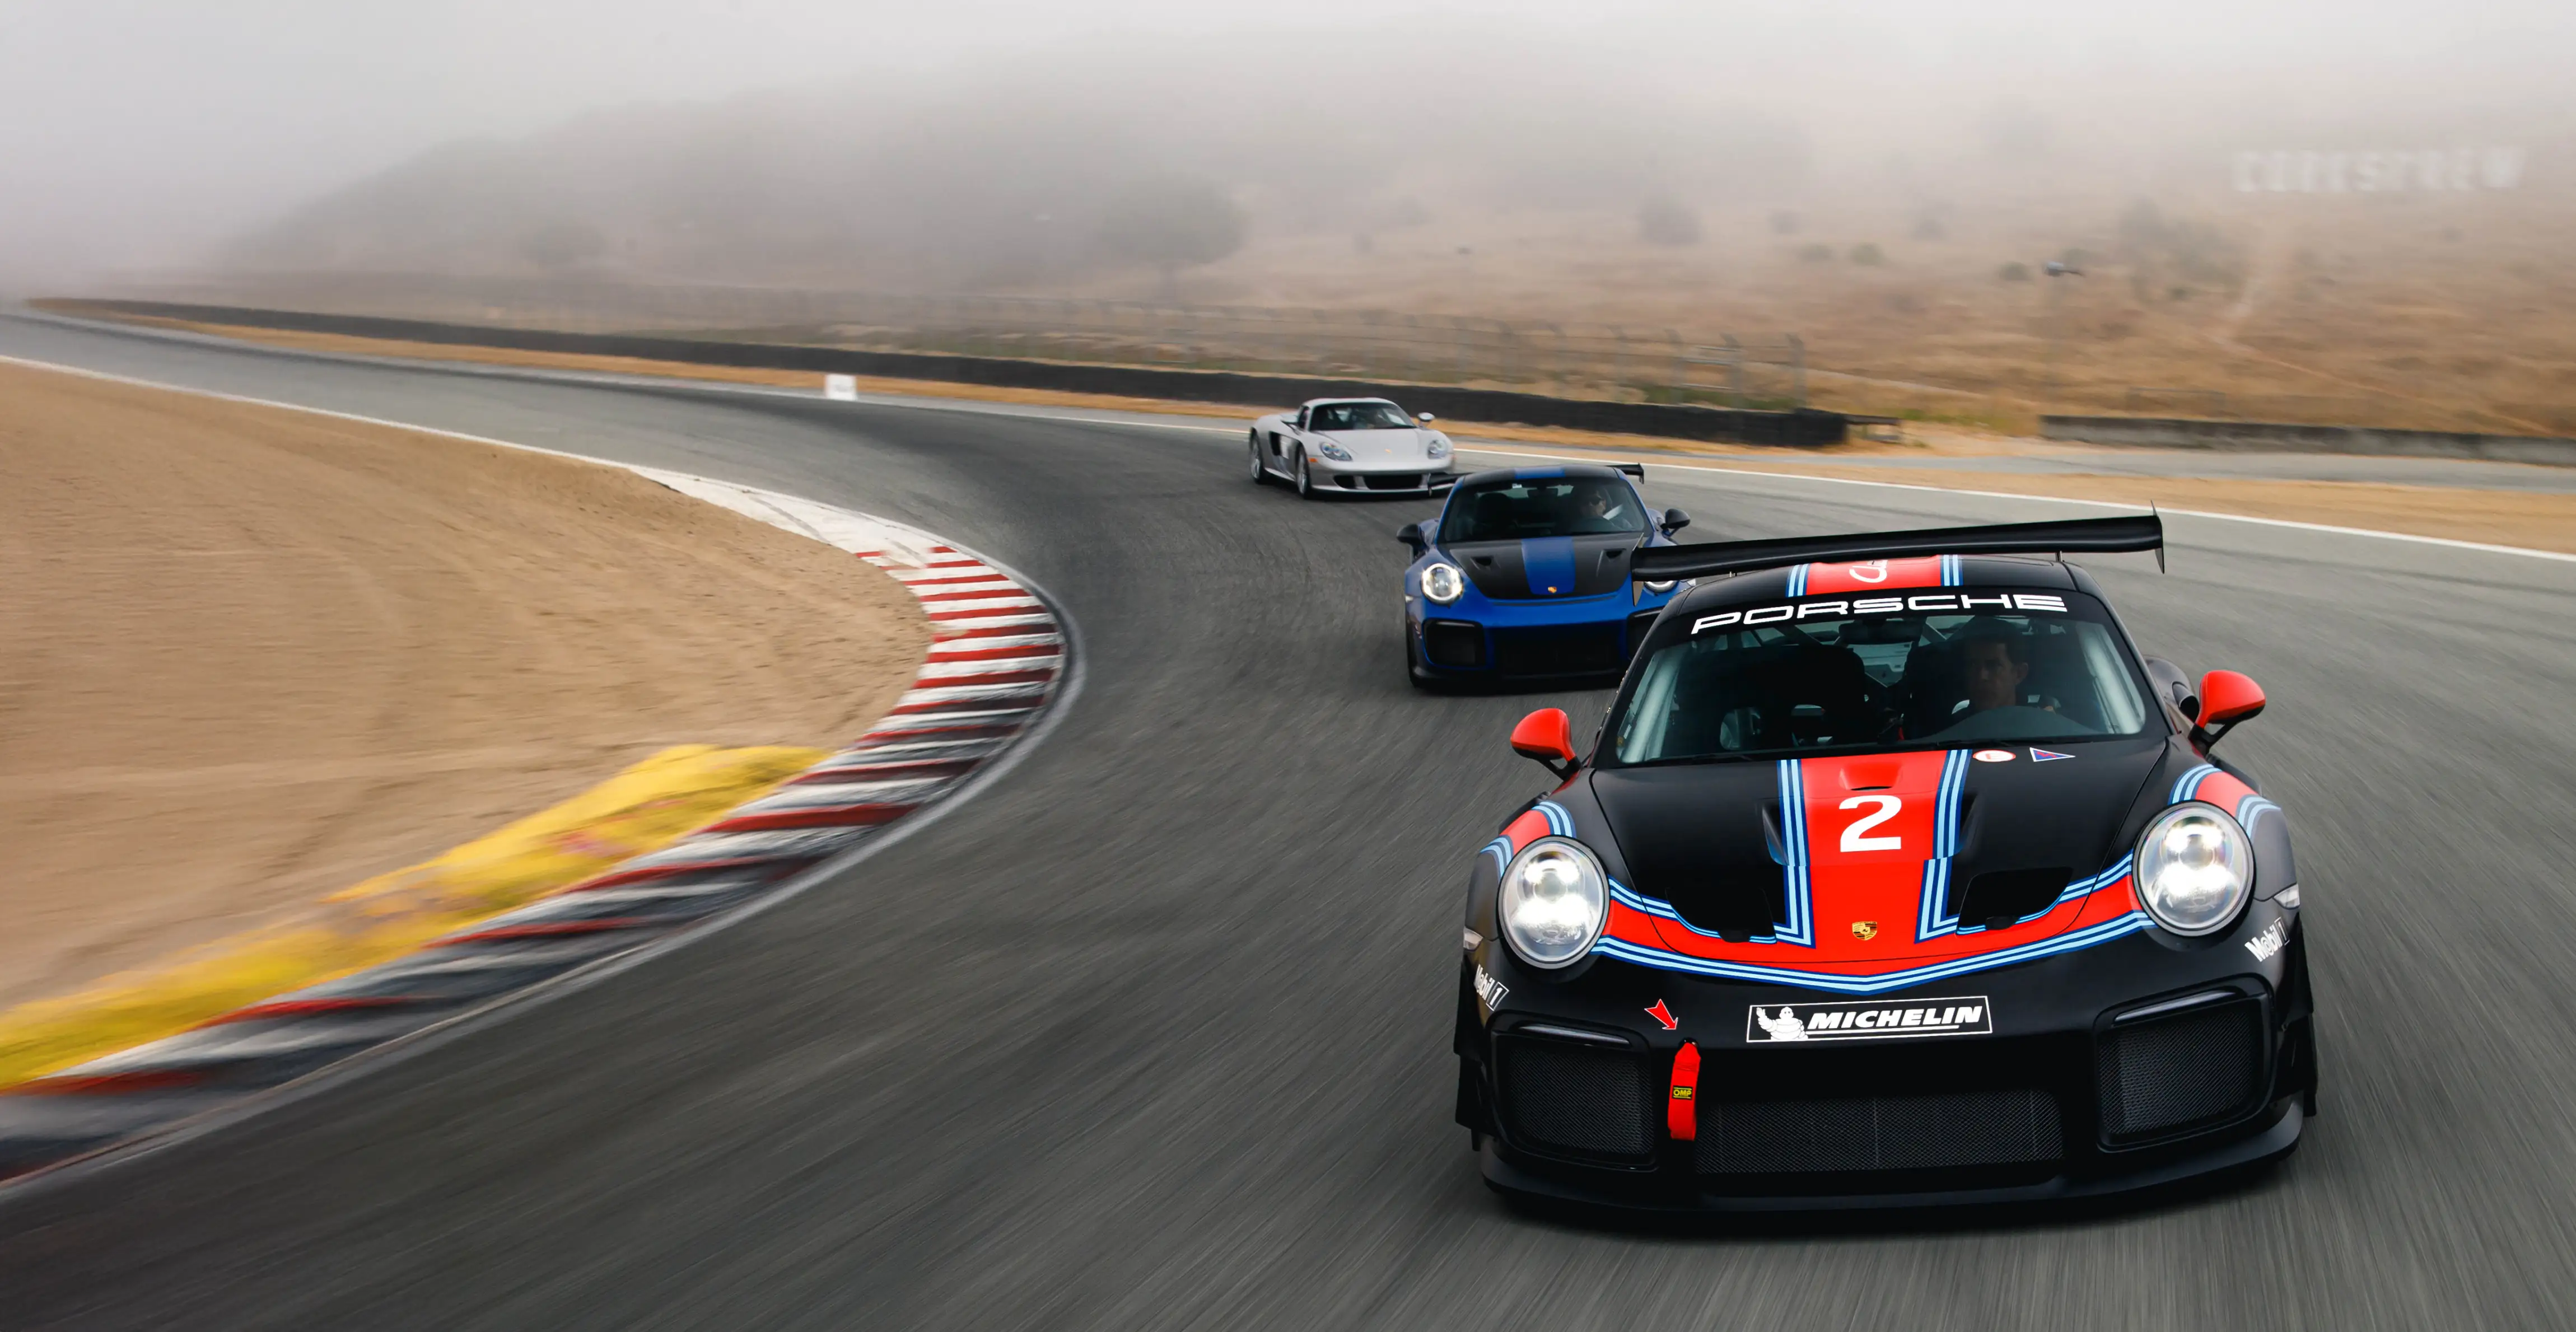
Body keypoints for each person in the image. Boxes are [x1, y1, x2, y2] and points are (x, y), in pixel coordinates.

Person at [1958, 619, 2031, 714]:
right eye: (1973, 665)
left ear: (2019, 674)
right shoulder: (1952, 727)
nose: (1981, 676)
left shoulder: (2041, 723)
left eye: (1993, 666)